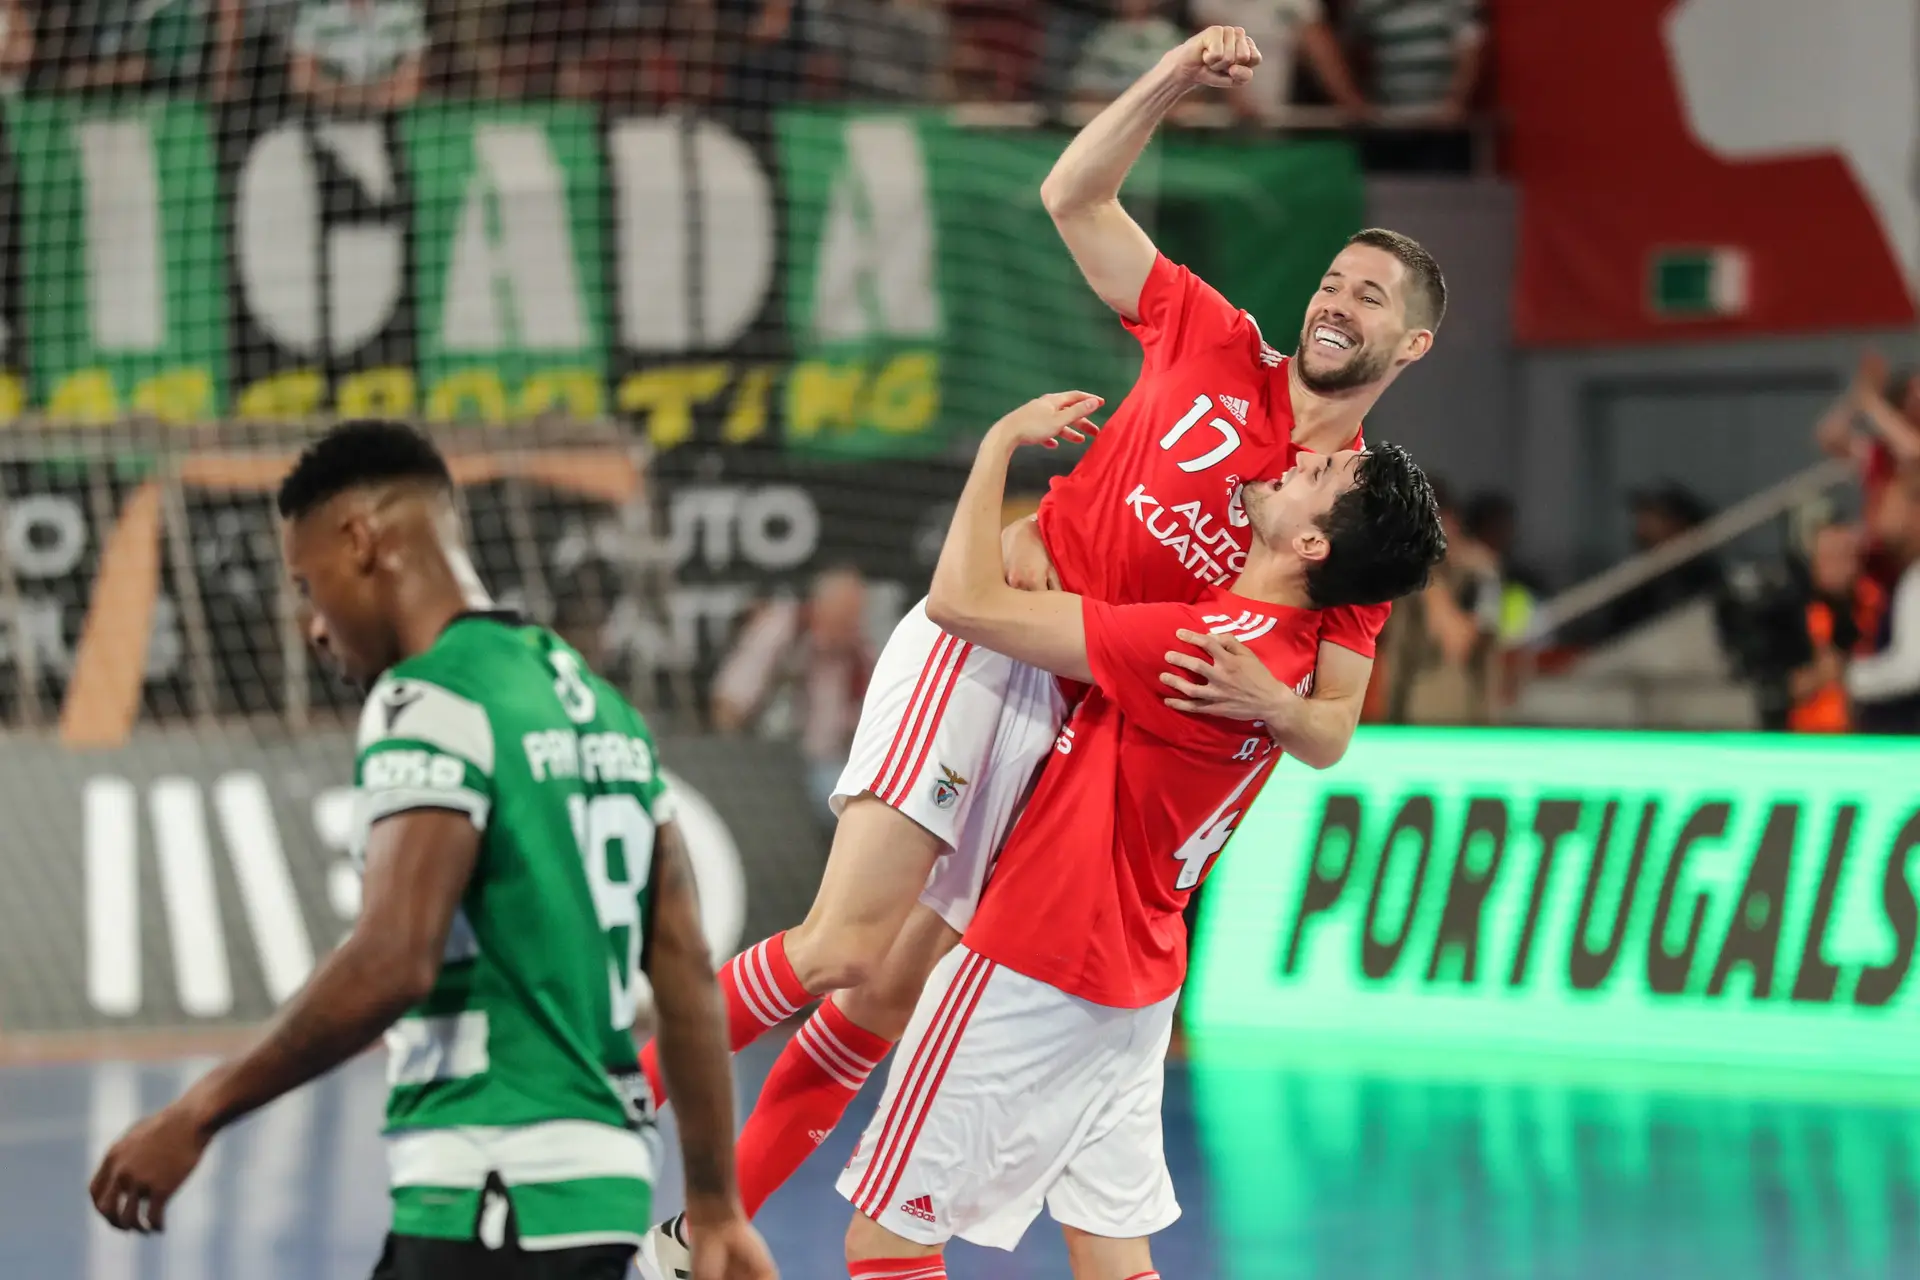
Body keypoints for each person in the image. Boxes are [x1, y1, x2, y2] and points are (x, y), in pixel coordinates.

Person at [638, 24, 1447, 1273]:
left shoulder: (1345, 523)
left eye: (1370, 296)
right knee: (848, 943)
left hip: (1091, 718)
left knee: (889, 991)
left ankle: (697, 1234)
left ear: (1413, 348)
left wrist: (1262, 699)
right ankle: (597, 1081)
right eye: (1333, 280)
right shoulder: (1212, 336)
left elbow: (1331, 725)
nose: (1337, 301)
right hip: (996, 652)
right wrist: (1172, 79)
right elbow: (1072, 192)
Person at [88, 422, 776, 1280]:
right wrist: (715, 1208)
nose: (312, 624)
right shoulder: (596, 707)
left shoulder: (432, 699)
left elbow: (392, 960)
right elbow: (682, 968)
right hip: (598, 1196)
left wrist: (196, 1112)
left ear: (362, 539)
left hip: (487, 1190)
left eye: (309, 584)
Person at [839, 392, 1445, 1279]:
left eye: (1320, 474)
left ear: (1311, 545)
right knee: (1114, 1253)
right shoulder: (1287, 661)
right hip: (1137, 986)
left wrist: (999, 445)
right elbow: (1331, 717)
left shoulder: (1196, 645)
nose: (1300, 458)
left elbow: (959, 602)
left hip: (1036, 960)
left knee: (887, 1244)